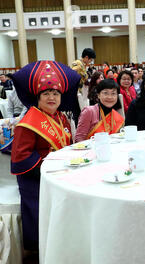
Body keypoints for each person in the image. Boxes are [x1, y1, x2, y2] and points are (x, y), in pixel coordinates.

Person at [10, 61, 80, 251]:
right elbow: (20, 158)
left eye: (56, 93)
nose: (51, 97)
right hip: (36, 178)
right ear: (38, 97)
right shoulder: (28, 122)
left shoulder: (61, 117)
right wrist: (48, 170)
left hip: (60, 173)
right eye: (46, 93)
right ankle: (43, 248)